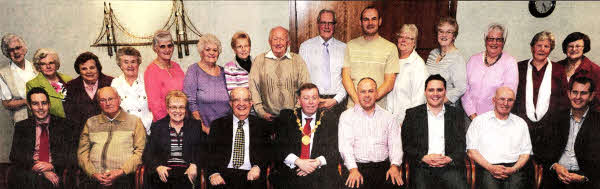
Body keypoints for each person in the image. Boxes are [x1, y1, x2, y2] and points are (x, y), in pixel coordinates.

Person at [401, 74, 467, 189]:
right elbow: (406, 145)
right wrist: (423, 157)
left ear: (445, 92)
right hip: (422, 167)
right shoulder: (412, 114)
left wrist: (449, 158)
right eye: (431, 90)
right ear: (425, 92)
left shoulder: (456, 114)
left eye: (439, 90)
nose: (435, 94)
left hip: (449, 167)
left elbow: (461, 145)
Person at [272, 83, 342, 189]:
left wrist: (315, 163)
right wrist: (298, 162)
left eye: (314, 98)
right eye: (306, 98)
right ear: (299, 100)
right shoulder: (287, 117)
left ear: (319, 100)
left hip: (320, 171)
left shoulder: (330, 119)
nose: (311, 102)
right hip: (292, 170)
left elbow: (334, 149)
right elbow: (278, 147)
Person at [339, 78, 403, 189]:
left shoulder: (389, 117)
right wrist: (353, 169)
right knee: (353, 185)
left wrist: (394, 166)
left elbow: (395, 145)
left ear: (376, 93)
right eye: (363, 91)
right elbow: (345, 146)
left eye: (370, 91)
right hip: (357, 167)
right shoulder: (346, 116)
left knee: (396, 184)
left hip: (384, 167)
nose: (367, 95)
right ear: (357, 94)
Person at [77, 87, 146, 189]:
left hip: (123, 177)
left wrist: (121, 171)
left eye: (111, 99)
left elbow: (140, 152)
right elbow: (82, 153)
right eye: (103, 100)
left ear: (119, 99)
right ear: (99, 103)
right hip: (94, 178)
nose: (108, 103)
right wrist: (93, 173)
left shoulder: (134, 122)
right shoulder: (91, 122)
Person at [513, 31, 568, 157]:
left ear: (550, 50)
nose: (542, 49)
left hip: (549, 128)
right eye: (539, 45)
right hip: (523, 126)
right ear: (532, 47)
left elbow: (564, 100)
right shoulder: (519, 67)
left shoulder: (558, 70)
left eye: (546, 46)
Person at [538, 77, 599, 189]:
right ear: (569, 93)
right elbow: (542, 149)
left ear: (591, 96)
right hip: (555, 176)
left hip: (586, 180)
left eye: (583, 93)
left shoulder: (597, 121)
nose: (578, 97)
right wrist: (555, 166)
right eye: (575, 92)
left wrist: (584, 177)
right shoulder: (555, 118)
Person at [8, 87, 76, 189]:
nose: (40, 107)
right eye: (35, 104)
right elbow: (15, 155)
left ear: (49, 105)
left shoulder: (64, 125)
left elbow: (71, 153)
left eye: (44, 103)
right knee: (23, 177)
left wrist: (52, 165)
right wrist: (42, 169)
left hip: (57, 168)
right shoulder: (22, 126)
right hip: (31, 169)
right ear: (30, 106)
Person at [466, 87, 532, 189]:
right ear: (494, 100)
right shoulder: (479, 121)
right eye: (502, 99)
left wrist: (514, 169)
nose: (505, 103)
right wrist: (490, 167)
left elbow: (526, 153)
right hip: (487, 167)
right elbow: (471, 151)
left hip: (514, 168)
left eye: (510, 100)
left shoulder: (521, 123)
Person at [207, 87, 270, 189]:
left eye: (245, 100)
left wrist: (258, 167)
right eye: (236, 100)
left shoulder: (262, 126)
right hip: (223, 175)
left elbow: (268, 152)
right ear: (230, 103)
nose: (241, 104)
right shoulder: (218, 125)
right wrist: (213, 173)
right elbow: (208, 153)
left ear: (251, 103)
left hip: (251, 175)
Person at [342, 6, 400, 109]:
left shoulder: (390, 48)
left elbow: (389, 83)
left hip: (378, 110)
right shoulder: (350, 46)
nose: (370, 23)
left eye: (374, 19)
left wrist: (369, 101)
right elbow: (346, 78)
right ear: (360, 22)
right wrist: (358, 101)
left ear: (380, 21)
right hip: (354, 108)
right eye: (366, 19)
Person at [144, 90, 204, 188]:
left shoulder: (195, 125)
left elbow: (203, 150)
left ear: (186, 109)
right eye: (173, 107)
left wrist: (195, 164)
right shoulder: (158, 126)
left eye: (181, 107)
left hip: (187, 172)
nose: (177, 111)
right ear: (167, 109)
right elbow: (148, 154)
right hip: (164, 172)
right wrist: (157, 167)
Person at [248, 26, 310, 121]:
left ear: (288, 43)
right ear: (269, 41)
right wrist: (261, 112)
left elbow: (305, 87)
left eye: (282, 39)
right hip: (267, 119)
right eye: (275, 39)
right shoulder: (259, 60)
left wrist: (296, 111)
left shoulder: (297, 60)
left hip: (293, 118)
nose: (278, 43)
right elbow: (253, 88)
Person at [462, 23, 518, 121]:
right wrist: (473, 115)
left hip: (494, 119)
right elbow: (464, 89)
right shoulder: (473, 60)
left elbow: (508, 96)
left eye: (498, 39)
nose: (494, 43)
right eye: (490, 39)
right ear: (485, 41)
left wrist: (490, 120)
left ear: (503, 42)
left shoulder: (510, 62)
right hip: (469, 117)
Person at [299, 9, 347, 115]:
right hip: (313, 102)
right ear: (318, 24)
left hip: (338, 102)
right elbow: (302, 78)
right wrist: (313, 99)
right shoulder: (305, 47)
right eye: (323, 23)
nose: (327, 26)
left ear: (334, 25)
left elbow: (347, 79)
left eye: (330, 23)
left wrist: (336, 99)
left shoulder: (345, 48)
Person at [183, 34, 231, 134]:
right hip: (204, 130)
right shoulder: (193, 70)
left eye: (215, 50)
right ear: (201, 52)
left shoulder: (224, 72)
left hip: (226, 128)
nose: (212, 53)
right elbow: (190, 103)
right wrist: (204, 128)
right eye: (208, 49)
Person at [63, 51, 113, 136]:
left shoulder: (111, 83)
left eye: (92, 67)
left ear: (98, 68)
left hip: (108, 132)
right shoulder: (69, 87)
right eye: (84, 69)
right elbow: (69, 114)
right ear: (79, 71)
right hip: (80, 133)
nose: (88, 71)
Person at [387, 24, 428, 123]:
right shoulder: (394, 60)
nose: (403, 40)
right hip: (391, 121)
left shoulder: (418, 65)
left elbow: (419, 100)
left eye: (408, 38)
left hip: (408, 122)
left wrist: (406, 123)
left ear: (414, 42)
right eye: (401, 36)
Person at [144, 30, 185, 122]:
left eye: (170, 45)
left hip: (182, 119)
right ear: (155, 48)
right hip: (164, 123)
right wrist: (169, 125)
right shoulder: (151, 71)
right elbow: (154, 105)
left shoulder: (176, 66)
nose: (167, 50)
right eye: (162, 46)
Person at [110, 47, 153, 134]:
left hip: (147, 130)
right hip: (124, 132)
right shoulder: (115, 83)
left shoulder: (148, 80)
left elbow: (155, 108)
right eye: (126, 62)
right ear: (120, 65)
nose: (130, 66)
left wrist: (144, 126)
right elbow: (113, 110)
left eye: (133, 62)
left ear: (138, 63)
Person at [425, 17, 467, 107]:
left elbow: (461, 88)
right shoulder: (433, 54)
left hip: (445, 109)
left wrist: (437, 102)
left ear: (454, 36)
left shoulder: (457, 58)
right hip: (428, 106)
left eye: (448, 32)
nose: (444, 35)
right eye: (441, 31)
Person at [557, 32, 600, 111]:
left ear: (584, 48)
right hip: (557, 115)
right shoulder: (556, 67)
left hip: (584, 118)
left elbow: (598, 103)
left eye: (578, 46)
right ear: (565, 48)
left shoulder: (595, 70)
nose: (574, 49)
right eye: (570, 46)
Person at [0, 33, 37, 123]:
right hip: (22, 119)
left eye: (18, 48)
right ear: (7, 53)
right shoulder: (3, 73)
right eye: (11, 50)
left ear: (24, 49)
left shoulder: (37, 66)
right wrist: (27, 101)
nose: (16, 52)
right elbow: (6, 103)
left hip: (45, 115)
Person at [26, 48, 72, 118]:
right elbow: (32, 114)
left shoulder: (68, 79)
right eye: (43, 64)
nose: (48, 66)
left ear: (56, 64)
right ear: (38, 67)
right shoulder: (32, 84)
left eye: (51, 63)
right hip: (52, 125)